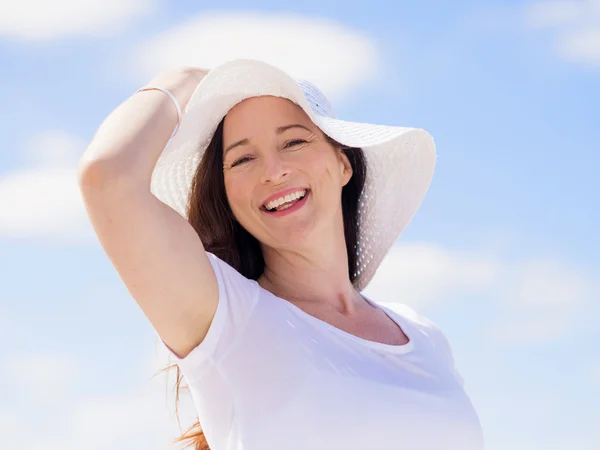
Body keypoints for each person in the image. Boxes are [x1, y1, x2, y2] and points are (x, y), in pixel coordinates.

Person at [78, 59, 484, 450]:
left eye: (293, 141)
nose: (273, 171)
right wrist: (188, 79)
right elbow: (108, 177)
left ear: (343, 164)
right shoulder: (229, 316)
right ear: (228, 195)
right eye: (243, 158)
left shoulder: (422, 334)